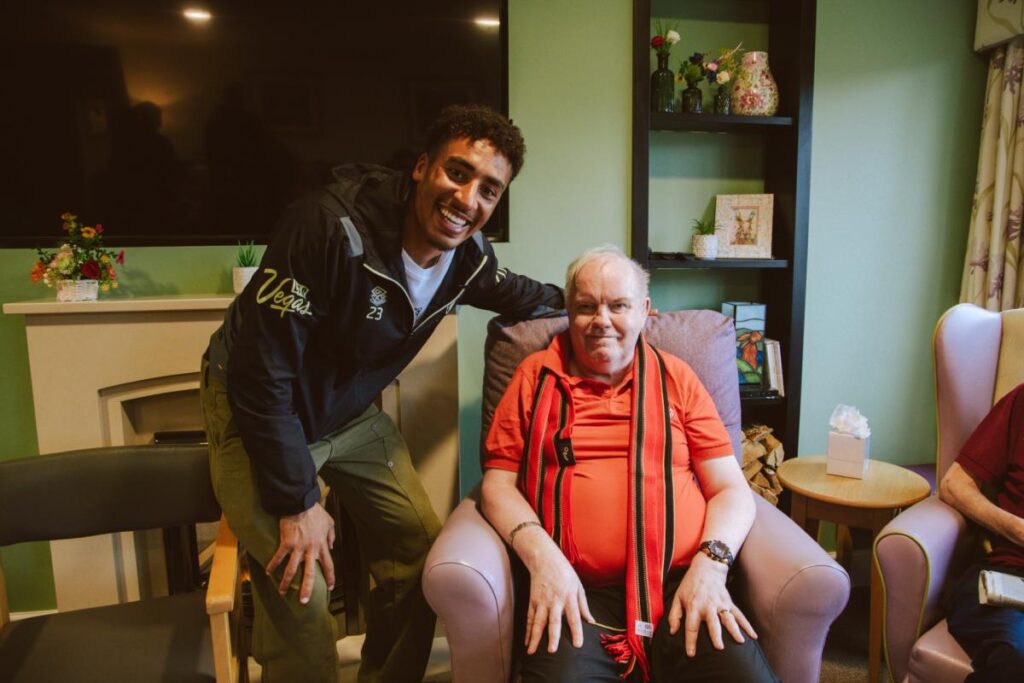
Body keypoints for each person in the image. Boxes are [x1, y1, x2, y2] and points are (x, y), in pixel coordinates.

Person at [200, 104, 563, 682]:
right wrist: (298, 503)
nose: (467, 199)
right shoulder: (326, 226)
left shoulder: (468, 261)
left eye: (488, 190)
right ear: (421, 167)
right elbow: (261, 374)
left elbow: (520, 293)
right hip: (258, 409)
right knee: (302, 583)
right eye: (457, 173)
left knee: (420, 553)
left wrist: (597, 305)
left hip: (346, 412)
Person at [480, 246, 778, 682]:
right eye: (586, 306)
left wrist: (711, 566)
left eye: (618, 305)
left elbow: (730, 488)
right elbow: (497, 484)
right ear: (569, 312)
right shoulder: (534, 377)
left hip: (683, 583)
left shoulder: (678, 379)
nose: (601, 320)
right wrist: (543, 558)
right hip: (574, 588)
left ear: (644, 311)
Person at [939, 382, 1024, 683]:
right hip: (1007, 576)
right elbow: (954, 485)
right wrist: (1018, 528)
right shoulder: (1021, 401)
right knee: (1014, 659)